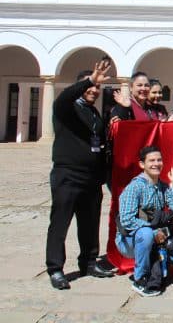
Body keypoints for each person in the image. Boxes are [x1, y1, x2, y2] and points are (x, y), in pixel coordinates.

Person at [46, 59, 115, 290]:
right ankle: (55, 268)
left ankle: (88, 261)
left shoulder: (94, 113)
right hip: (68, 175)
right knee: (60, 223)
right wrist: (90, 79)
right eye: (90, 87)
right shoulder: (66, 108)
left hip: (91, 177)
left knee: (90, 222)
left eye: (97, 88)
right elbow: (66, 96)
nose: (94, 90)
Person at [115, 146, 173, 296]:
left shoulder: (163, 187)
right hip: (129, 240)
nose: (156, 163)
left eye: (159, 160)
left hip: (155, 239)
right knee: (146, 234)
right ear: (142, 164)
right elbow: (126, 220)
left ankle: (154, 264)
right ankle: (140, 278)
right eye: (151, 160)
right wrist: (154, 232)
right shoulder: (135, 187)